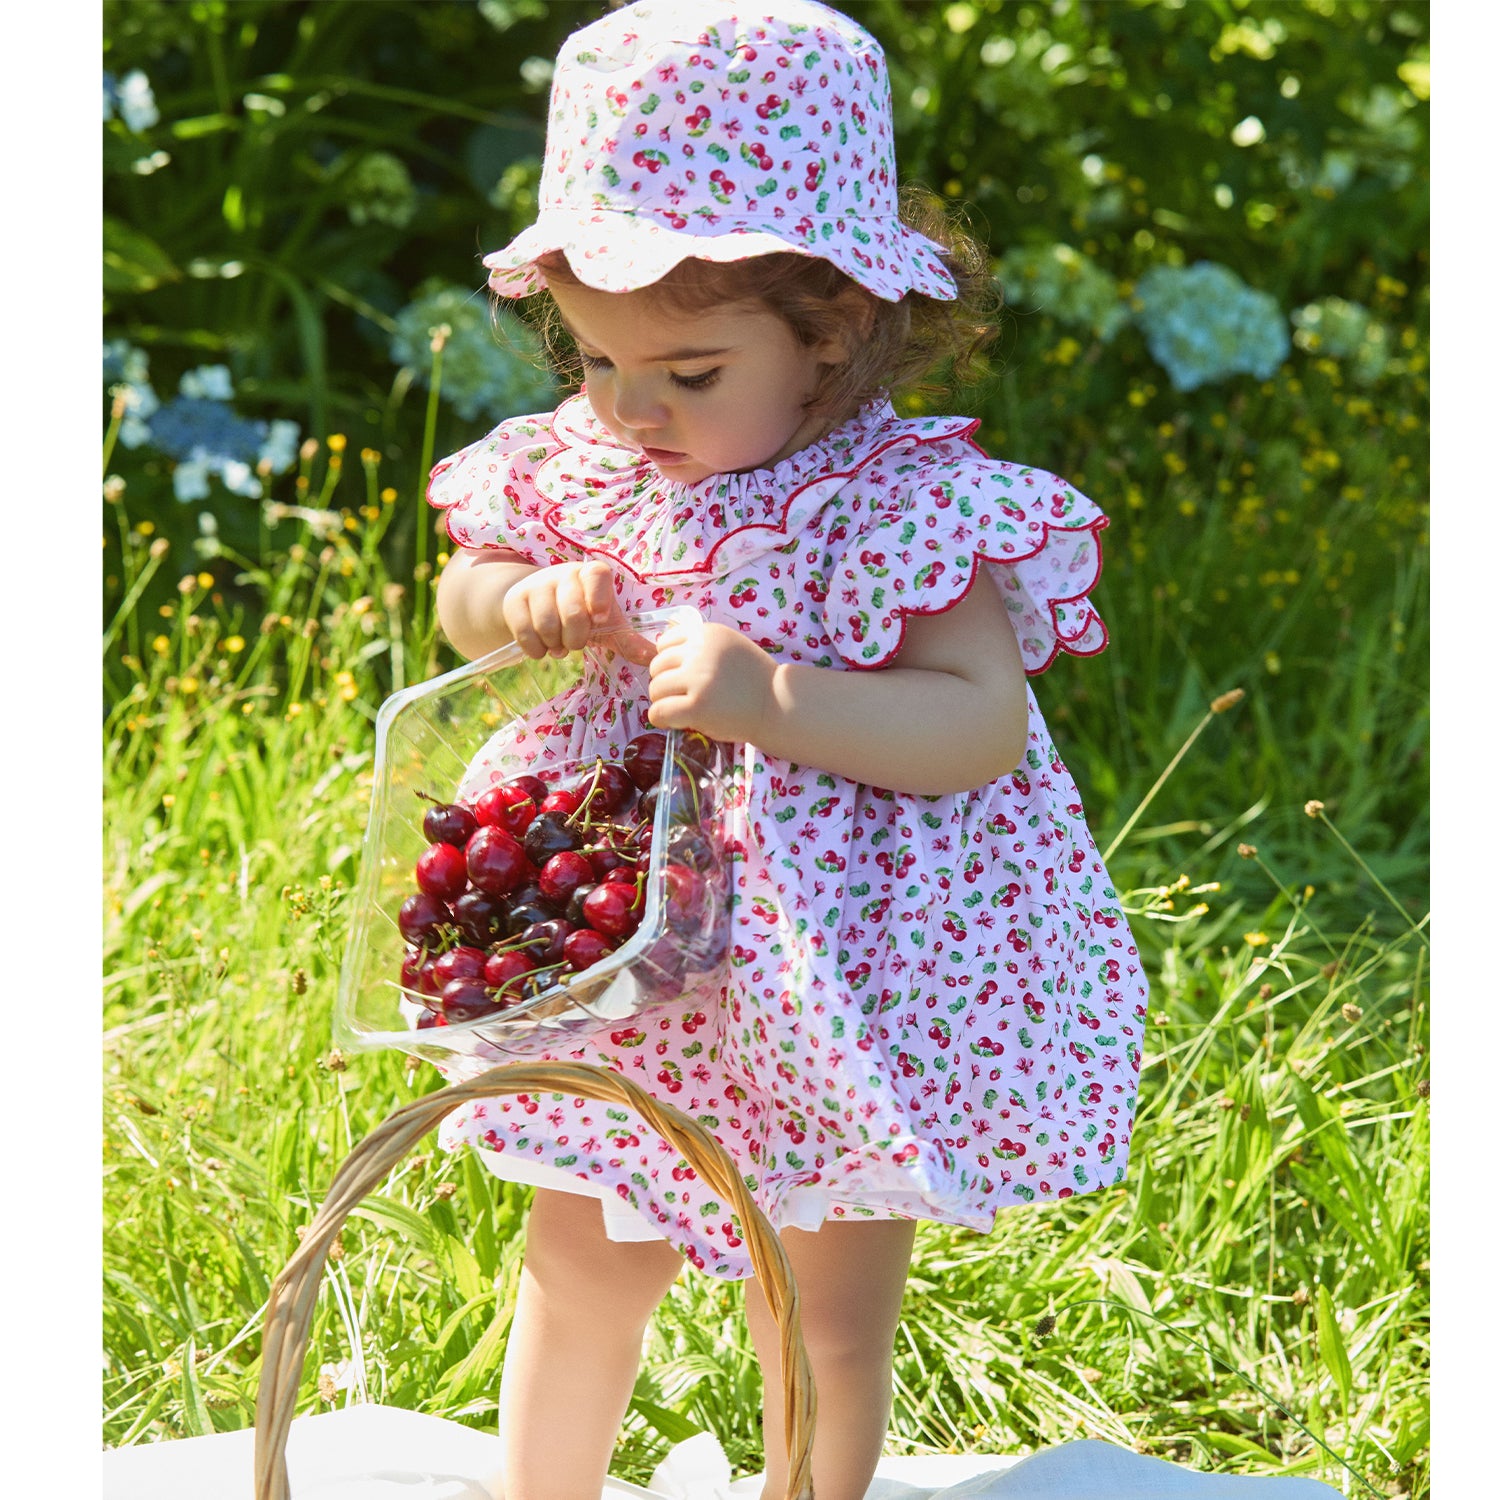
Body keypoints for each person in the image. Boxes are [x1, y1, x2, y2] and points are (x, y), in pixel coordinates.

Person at [427, 3, 1148, 1497]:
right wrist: (516, 600)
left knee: (819, 1300)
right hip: (630, 936)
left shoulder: (898, 503)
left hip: (846, 964)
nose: (635, 408)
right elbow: (462, 602)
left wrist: (777, 698)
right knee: (580, 1245)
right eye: (602, 358)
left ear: (831, 331)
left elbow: (976, 723)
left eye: (689, 372)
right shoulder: (591, 454)